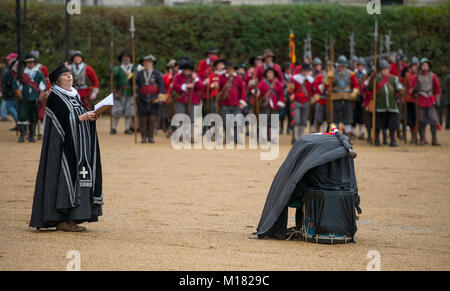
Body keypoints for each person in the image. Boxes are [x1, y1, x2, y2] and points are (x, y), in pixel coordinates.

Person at [29, 63, 103, 232]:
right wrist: (81, 117)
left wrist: (91, 116)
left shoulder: (74, 95)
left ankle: (74, 218)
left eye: (70, 74)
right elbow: (60, 125)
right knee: (64, 179)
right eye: (65, 75)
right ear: (56, 81)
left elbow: (78, 115)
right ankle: (61, 220)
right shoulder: (55, 97)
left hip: (80, 148)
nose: (69, 76)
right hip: (63, 151)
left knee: (82, 178)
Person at [367, 60, 404, 147]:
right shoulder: (376, 79)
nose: (385, 71)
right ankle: (376, 140)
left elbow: (399, 88)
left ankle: (392, 140)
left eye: (387, 69)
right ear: (380, 71)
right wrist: (372, 78)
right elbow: (369, 88)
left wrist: (400, 91)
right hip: (379, 106)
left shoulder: (394, 79)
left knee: (392, 125)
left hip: (391, 106)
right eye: (383, 70)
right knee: (378, 125)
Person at [12, 54, 47, 143]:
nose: (31, 64)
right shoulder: (21, 73)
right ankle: (22, 135)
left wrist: (41, 95)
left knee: (33, 117)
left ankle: (31, 136)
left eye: (32, 62)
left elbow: (43, 86)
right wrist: (18, 93)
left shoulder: (39, 74)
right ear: (26, 63)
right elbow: (16, 84)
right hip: (23, 99)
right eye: (29, 62)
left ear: (35, 63)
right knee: (22, 117)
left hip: (35, 100)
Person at [325, 55, 359, 137]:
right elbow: (327, 86)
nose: (342, 68)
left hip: (347, 97)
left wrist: (354, 93)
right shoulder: (332, 74)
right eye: (340, 66)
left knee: (348, 119)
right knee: (334, 119)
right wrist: (329, 81)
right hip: (336, 97)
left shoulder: (351, 74)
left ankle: (348, 136)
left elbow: (356, 85)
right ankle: (334, 136)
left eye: (343, 66)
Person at [411, 58, 442, 146]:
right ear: (421, 66)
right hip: (420, 99)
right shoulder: (416, 77)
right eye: (423, 65)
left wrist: (437, 99)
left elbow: (437, 89)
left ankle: (434, 139)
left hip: (430, 100)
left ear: (429, 66)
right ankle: (422, 138)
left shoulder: (433, 76)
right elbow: (411, 90)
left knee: (433, 119)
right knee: (420, 119)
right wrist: (414, 90)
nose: (425, 67)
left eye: (426, 65)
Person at [136, 55, 165, 143]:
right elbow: (135, 85)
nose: (147, 64)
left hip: (154, 98)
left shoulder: (157, 73)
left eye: (149, 62)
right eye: (146, 62)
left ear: (152, 63)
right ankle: (143, 136)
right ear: (143, 63)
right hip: (142, 98)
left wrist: (161, 96)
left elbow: (161, 86)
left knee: (152, 118)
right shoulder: (139, 74)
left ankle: (151, 136)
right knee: (143, 118)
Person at [172, 60, 203, 139]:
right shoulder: (178, 76)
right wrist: (186, 86)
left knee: (192, 118)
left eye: (188, 69)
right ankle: (180, 135)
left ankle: (192, 136)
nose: (186, 71)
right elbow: (175, 86)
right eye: (185, 69)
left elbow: (200, 87)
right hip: (180, 100)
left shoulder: (195, 76)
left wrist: (196, 79)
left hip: (193, 100)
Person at [217, 61, 247, 143]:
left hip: (236, 104)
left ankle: (236, 138)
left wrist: (242, 102)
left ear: (233, 69)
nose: (229, 70)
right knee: (226, 122)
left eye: (230, 68)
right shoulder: (221, 77)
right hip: (224, 103)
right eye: (227, 69)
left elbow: (242, 91)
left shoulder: (238, 78)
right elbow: (218, 90)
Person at [288, 63, 315, 142]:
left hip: (306, 102)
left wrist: (313, 98)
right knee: (296, 120)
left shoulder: (310, 80)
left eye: (307, 71)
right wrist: (291, 92)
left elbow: (313, 91)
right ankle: (295, 138)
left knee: (303, 120)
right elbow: (290, 91)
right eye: (304, 71)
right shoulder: (295, 79)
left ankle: (300, 138)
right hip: (296, 101)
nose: (305, 72)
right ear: (301, 71)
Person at [256, 67, 285, 141]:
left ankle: (272, 138)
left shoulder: (278, 83)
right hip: (265, 105)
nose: (270, 74)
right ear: (266, 74)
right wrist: (256, 92)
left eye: (272, 73)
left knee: (274, 122)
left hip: (275, 105)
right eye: (269, 73)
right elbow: (258, 92)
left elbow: (281, 94)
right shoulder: (262, 82)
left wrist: (280, 102)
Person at [111, 51, 135, 135]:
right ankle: (114, 127)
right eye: (124, 57)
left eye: (127, 57)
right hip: (119, 92)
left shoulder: (134, 69)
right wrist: (111, 71)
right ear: (121, 59)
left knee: (129, 111)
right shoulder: (118, 69)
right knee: (117, 110)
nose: (126, 58)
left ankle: (127, 128)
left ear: (130, 58)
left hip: (130, 92)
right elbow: (112, 77)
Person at [30, 50, 50, 140]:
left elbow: (46, 81)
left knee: (41, 112)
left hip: (41, 92)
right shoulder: (26, 68)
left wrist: (46, 91)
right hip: (30, 93)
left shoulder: (43, 68)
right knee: (32, 112)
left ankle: (41, 132)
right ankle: (32, 132)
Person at [404, 57, 420, 143]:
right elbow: (406, 87)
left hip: (418, 100)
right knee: (410, 119)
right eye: (414, 66)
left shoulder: (419, 75)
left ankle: (417, 136)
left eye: (416, 66)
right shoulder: (407, 75)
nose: (415, 67)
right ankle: (413, 136)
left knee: (418, 119)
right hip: (409, 100)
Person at [1, 53, 19, 128]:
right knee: (13, 107)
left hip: (11, 92)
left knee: (9, 107)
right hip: (9, 92)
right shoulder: (10, 68)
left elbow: (12, 80)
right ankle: (18, 124)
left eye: (9, 59)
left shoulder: (13, 68)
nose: (8, 60)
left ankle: (19, 122)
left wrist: (6, 83)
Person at [352, 57, 368, 140]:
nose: (360, 67)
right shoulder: (353, 74)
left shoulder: (366, 75)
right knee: (354, 115)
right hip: (355, 97)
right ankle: (353, 132)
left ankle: (361, 132)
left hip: (362, 97)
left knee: (362, 115)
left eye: (362, 66)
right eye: (359, 66)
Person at [312, 57, 328, 133]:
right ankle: (315, 130)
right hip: (317, 98)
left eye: (319, 65)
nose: (318, 66)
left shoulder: (327, 75)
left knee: (327, 118)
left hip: (327, 99)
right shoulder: (313, 74)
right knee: (317, 118)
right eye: (316, 65)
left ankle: (325, 133)